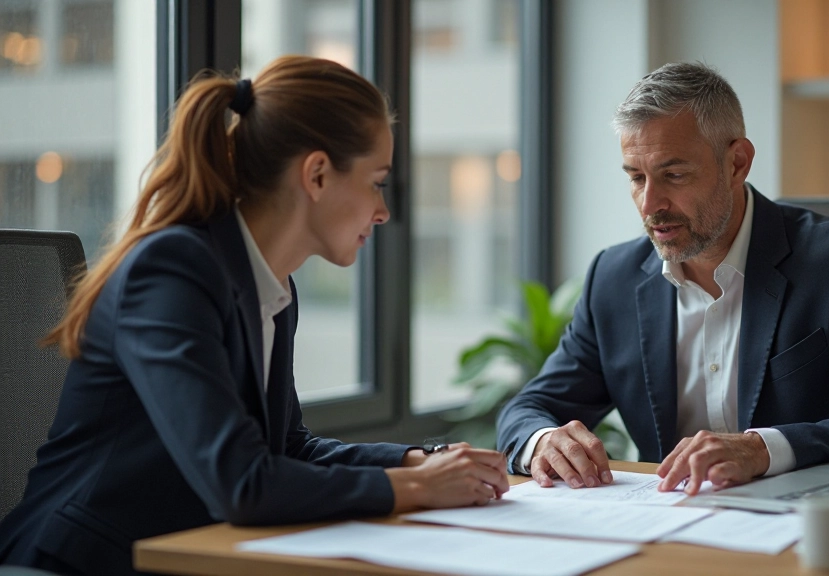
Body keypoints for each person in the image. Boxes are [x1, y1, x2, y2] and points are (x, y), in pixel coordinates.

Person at [0, 56, 508, 576]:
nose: (383, 211)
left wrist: (413, 461)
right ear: (316, 174)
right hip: (77, 563)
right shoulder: (172, 269)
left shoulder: (269, 282)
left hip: (183, 554)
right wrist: (419, 488)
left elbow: (286, 448)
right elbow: (241, 484)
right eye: (377, 181)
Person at [496, 62, 829, 497]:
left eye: (674, 175)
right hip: (669, 532)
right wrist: (543, 440)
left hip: (805, 527)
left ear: (737, 162)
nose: (650, 204)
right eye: (636, 178)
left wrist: (762, 449)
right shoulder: (614, 278)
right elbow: (528, 409)